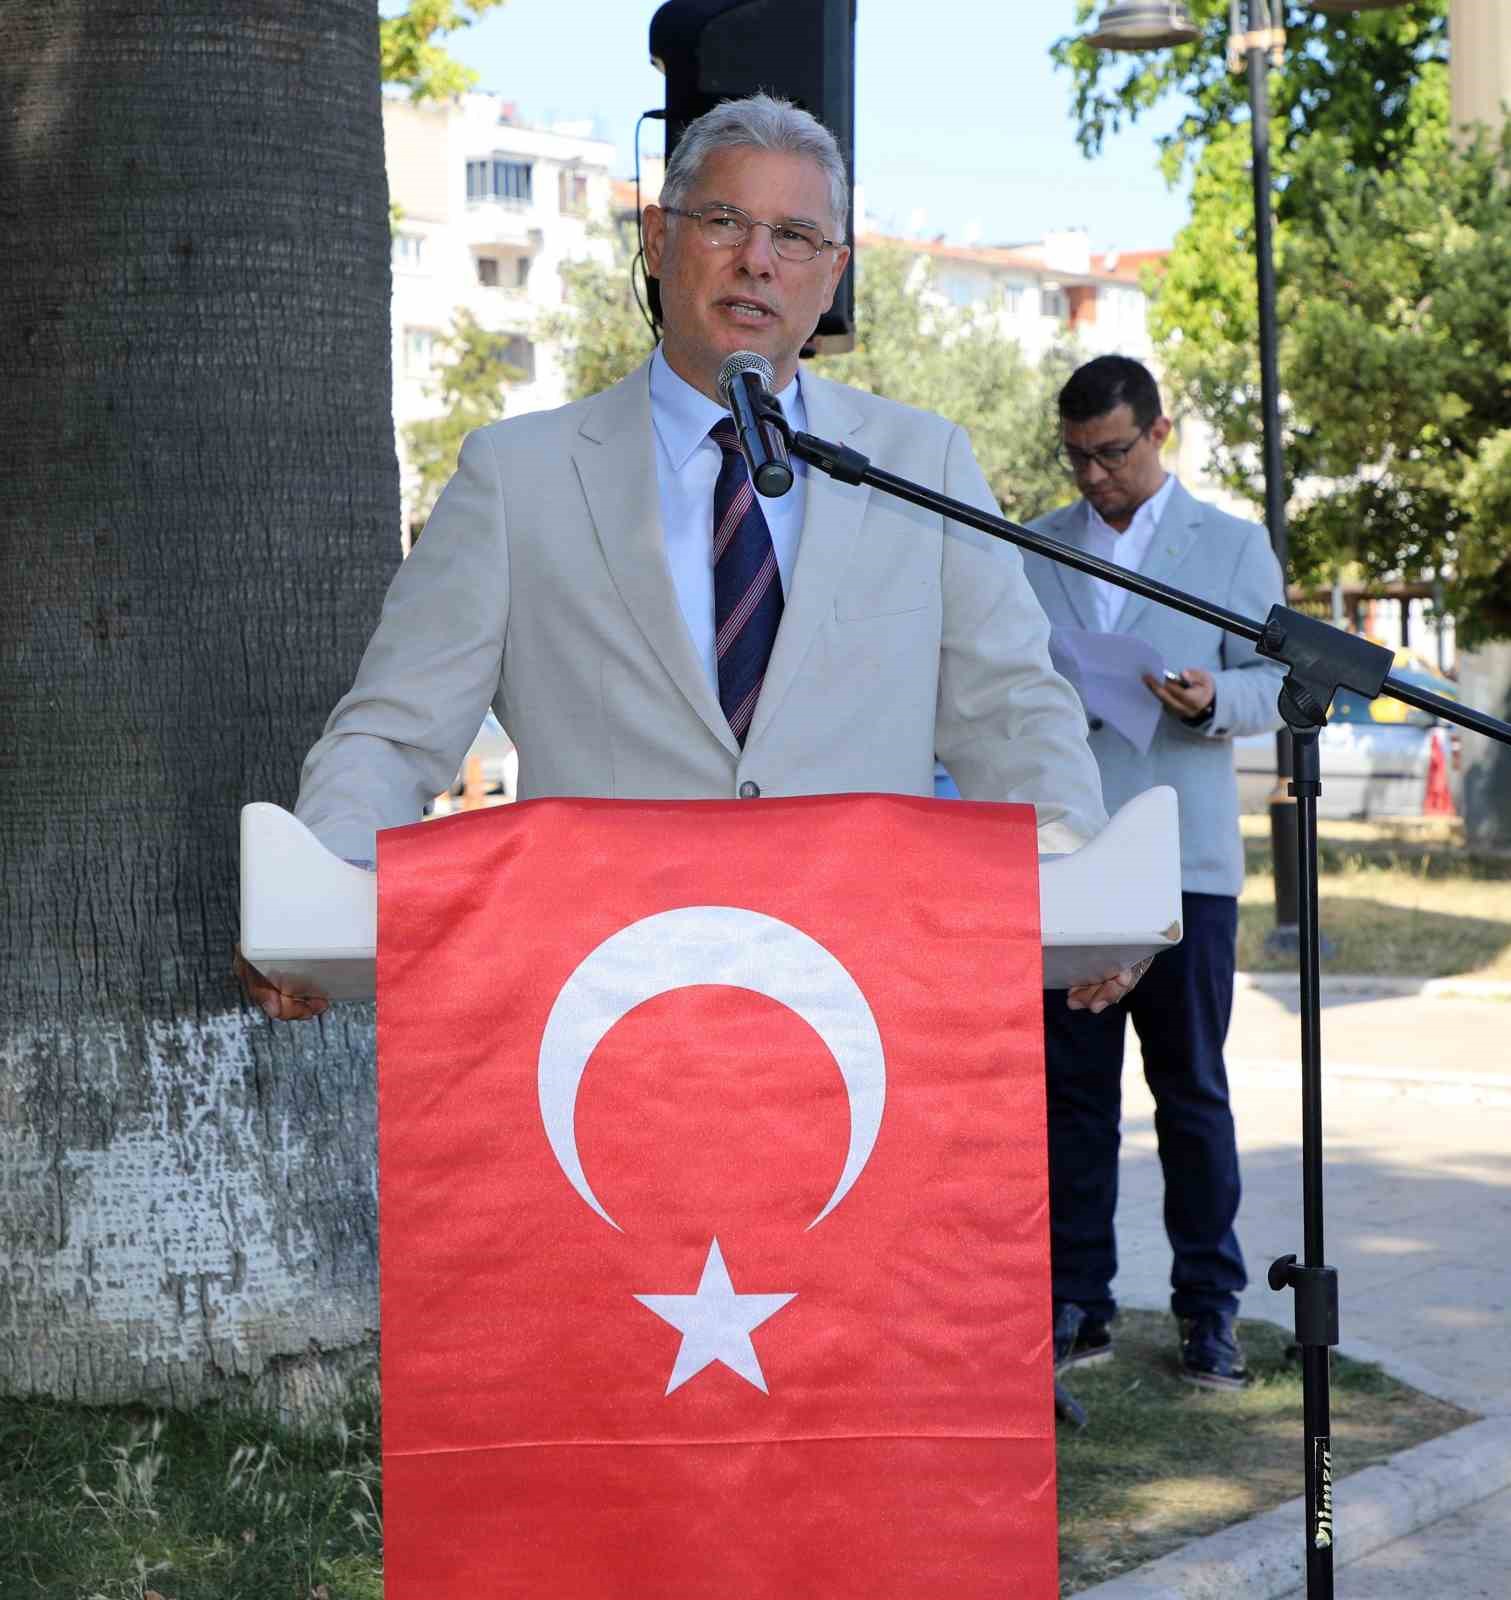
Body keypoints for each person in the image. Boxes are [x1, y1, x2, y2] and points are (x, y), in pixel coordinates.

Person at [236, 96, 1142, 1028]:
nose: (757, 259)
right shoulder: (517, 476)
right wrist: (323, 900)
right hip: (596, 1012)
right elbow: (393, 732)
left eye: (795, 236)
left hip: (869, 1007)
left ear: (831, 276)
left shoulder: (921, 466)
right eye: (724, 221)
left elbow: (1011, 710)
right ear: (659, 236)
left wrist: (1079, 890)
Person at [1019, 355, 1285, 1391]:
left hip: (1187, 864)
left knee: (1189, 1095)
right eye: (1076, 457)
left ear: (1158, 432)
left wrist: (1207, 694)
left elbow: (1275, 684)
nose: (1093, 476)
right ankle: (1074, 1301)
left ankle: (1207, 1308)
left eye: (1112, 453)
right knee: (1071, 1100)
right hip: (1068, 862)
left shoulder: (1229, 545)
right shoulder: (1030, 545)